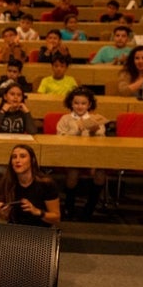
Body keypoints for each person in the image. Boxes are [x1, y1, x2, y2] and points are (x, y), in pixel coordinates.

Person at [56, 87, 109, 219]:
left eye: (83, 103)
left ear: (89, 104)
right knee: (73, 171)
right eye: (76, 103)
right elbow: (59, 137)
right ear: (71, 103)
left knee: (100, 171)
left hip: (92, 154)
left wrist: (94, 131)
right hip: (72, 154)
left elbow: (102, 138)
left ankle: (90, 206)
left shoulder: (95, 118)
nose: (80, 106)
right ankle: (69, 205)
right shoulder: (65, 118)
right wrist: (76, 131)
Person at [0, 144, 61, 227]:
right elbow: (5, 216)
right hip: (15, 229)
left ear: (32, 160)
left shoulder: (46, 183)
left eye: (22, 156)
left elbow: (56, 218)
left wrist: (37, 211)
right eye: (14, 157)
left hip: (40, 231)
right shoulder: (8, 182)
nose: (17, 160)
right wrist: (3, 214)